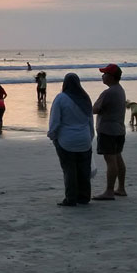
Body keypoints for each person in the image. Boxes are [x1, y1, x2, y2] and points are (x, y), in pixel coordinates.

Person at [47, 73, 94, 206]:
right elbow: (90, 121)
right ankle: (84, 197)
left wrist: (52, 135)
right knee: (84, 170)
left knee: (69, 170)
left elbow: (55, 121)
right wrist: (90, 137)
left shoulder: (61, 98)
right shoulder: (85, 98)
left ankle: (71, 198)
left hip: (66, 140)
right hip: (84, 140)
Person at [92, 64, 127, 200]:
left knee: (110, 160)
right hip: (119, 129)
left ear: (111, 77)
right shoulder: (120, 90)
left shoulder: (108, 92)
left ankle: (109, 191)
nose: (103, 76)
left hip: (108, 131)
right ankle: (121, 188)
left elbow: (94, 109)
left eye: (105, 73)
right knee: (118, 158)